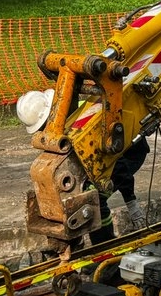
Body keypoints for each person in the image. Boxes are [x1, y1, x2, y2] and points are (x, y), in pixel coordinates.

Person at [15, 89, 148, 246]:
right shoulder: (67, 120)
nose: (46, 130)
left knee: (96, 198)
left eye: (44, 125)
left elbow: (117, 164)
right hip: (101, 155)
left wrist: (130, 201)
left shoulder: (86, 124)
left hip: (130, 151)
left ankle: (104, 247)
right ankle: (80, 244)